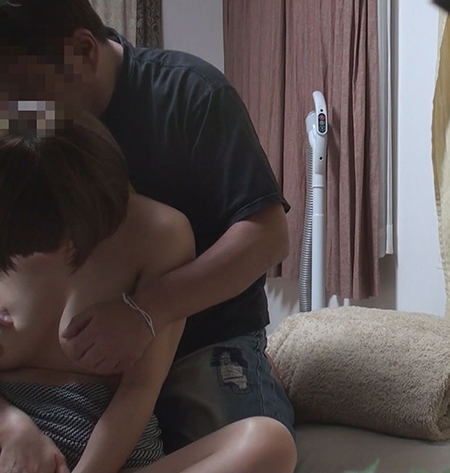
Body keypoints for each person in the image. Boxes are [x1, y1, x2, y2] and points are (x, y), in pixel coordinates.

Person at [0, 0, 297, 468]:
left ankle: (252, 374)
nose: (14, 109)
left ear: (83, 51)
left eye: (24, 90)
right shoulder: (23, 148)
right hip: (67, 379)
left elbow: (267, 237)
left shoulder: (189, 95)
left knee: (261, 442)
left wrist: (145, 313)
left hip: (201, 334)